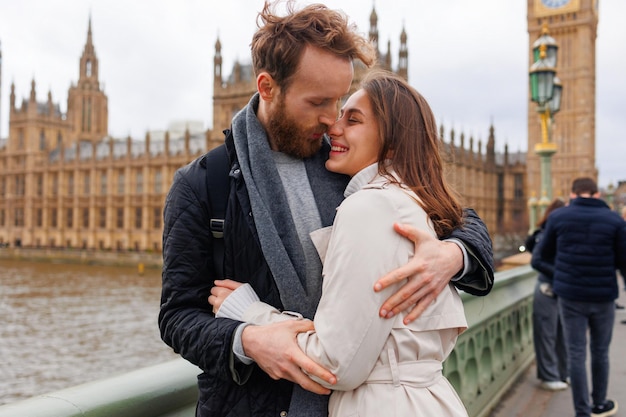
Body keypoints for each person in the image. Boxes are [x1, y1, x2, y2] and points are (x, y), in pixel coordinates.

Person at [159, 2, 494, 416]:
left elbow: (457, 215)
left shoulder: (346, 162)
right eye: (318, 101)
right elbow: (176, 317)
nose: (332, 119)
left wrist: (451, 254)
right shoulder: (202, 184)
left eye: (341, 102)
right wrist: (246, 340)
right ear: (267, 87)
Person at [210, 70, 469, 416]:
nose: (333, 125)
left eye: (353, 118)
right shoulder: (412, 201)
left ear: (391, 142)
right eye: (327, 106)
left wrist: (249, 314)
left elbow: (334, 362)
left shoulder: (369, 205)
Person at [532, 177, 626, 417]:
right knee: (600, 352)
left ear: (573, 195)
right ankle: (599, 404)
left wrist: (561, 274)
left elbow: (538, 259)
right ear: (597, 195)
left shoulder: (557, 218)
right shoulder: (615, 220)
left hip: (570, 296)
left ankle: (581, 412)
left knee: (576, 352)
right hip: (604, 296)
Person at [528, 198, 569, 391]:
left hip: (560, 289)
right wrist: (561, 273)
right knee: (547, 334)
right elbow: (536, 259)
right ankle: (549, 376)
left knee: (561, 334)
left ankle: (562, 373)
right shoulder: (545, 233)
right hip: (547, 287)